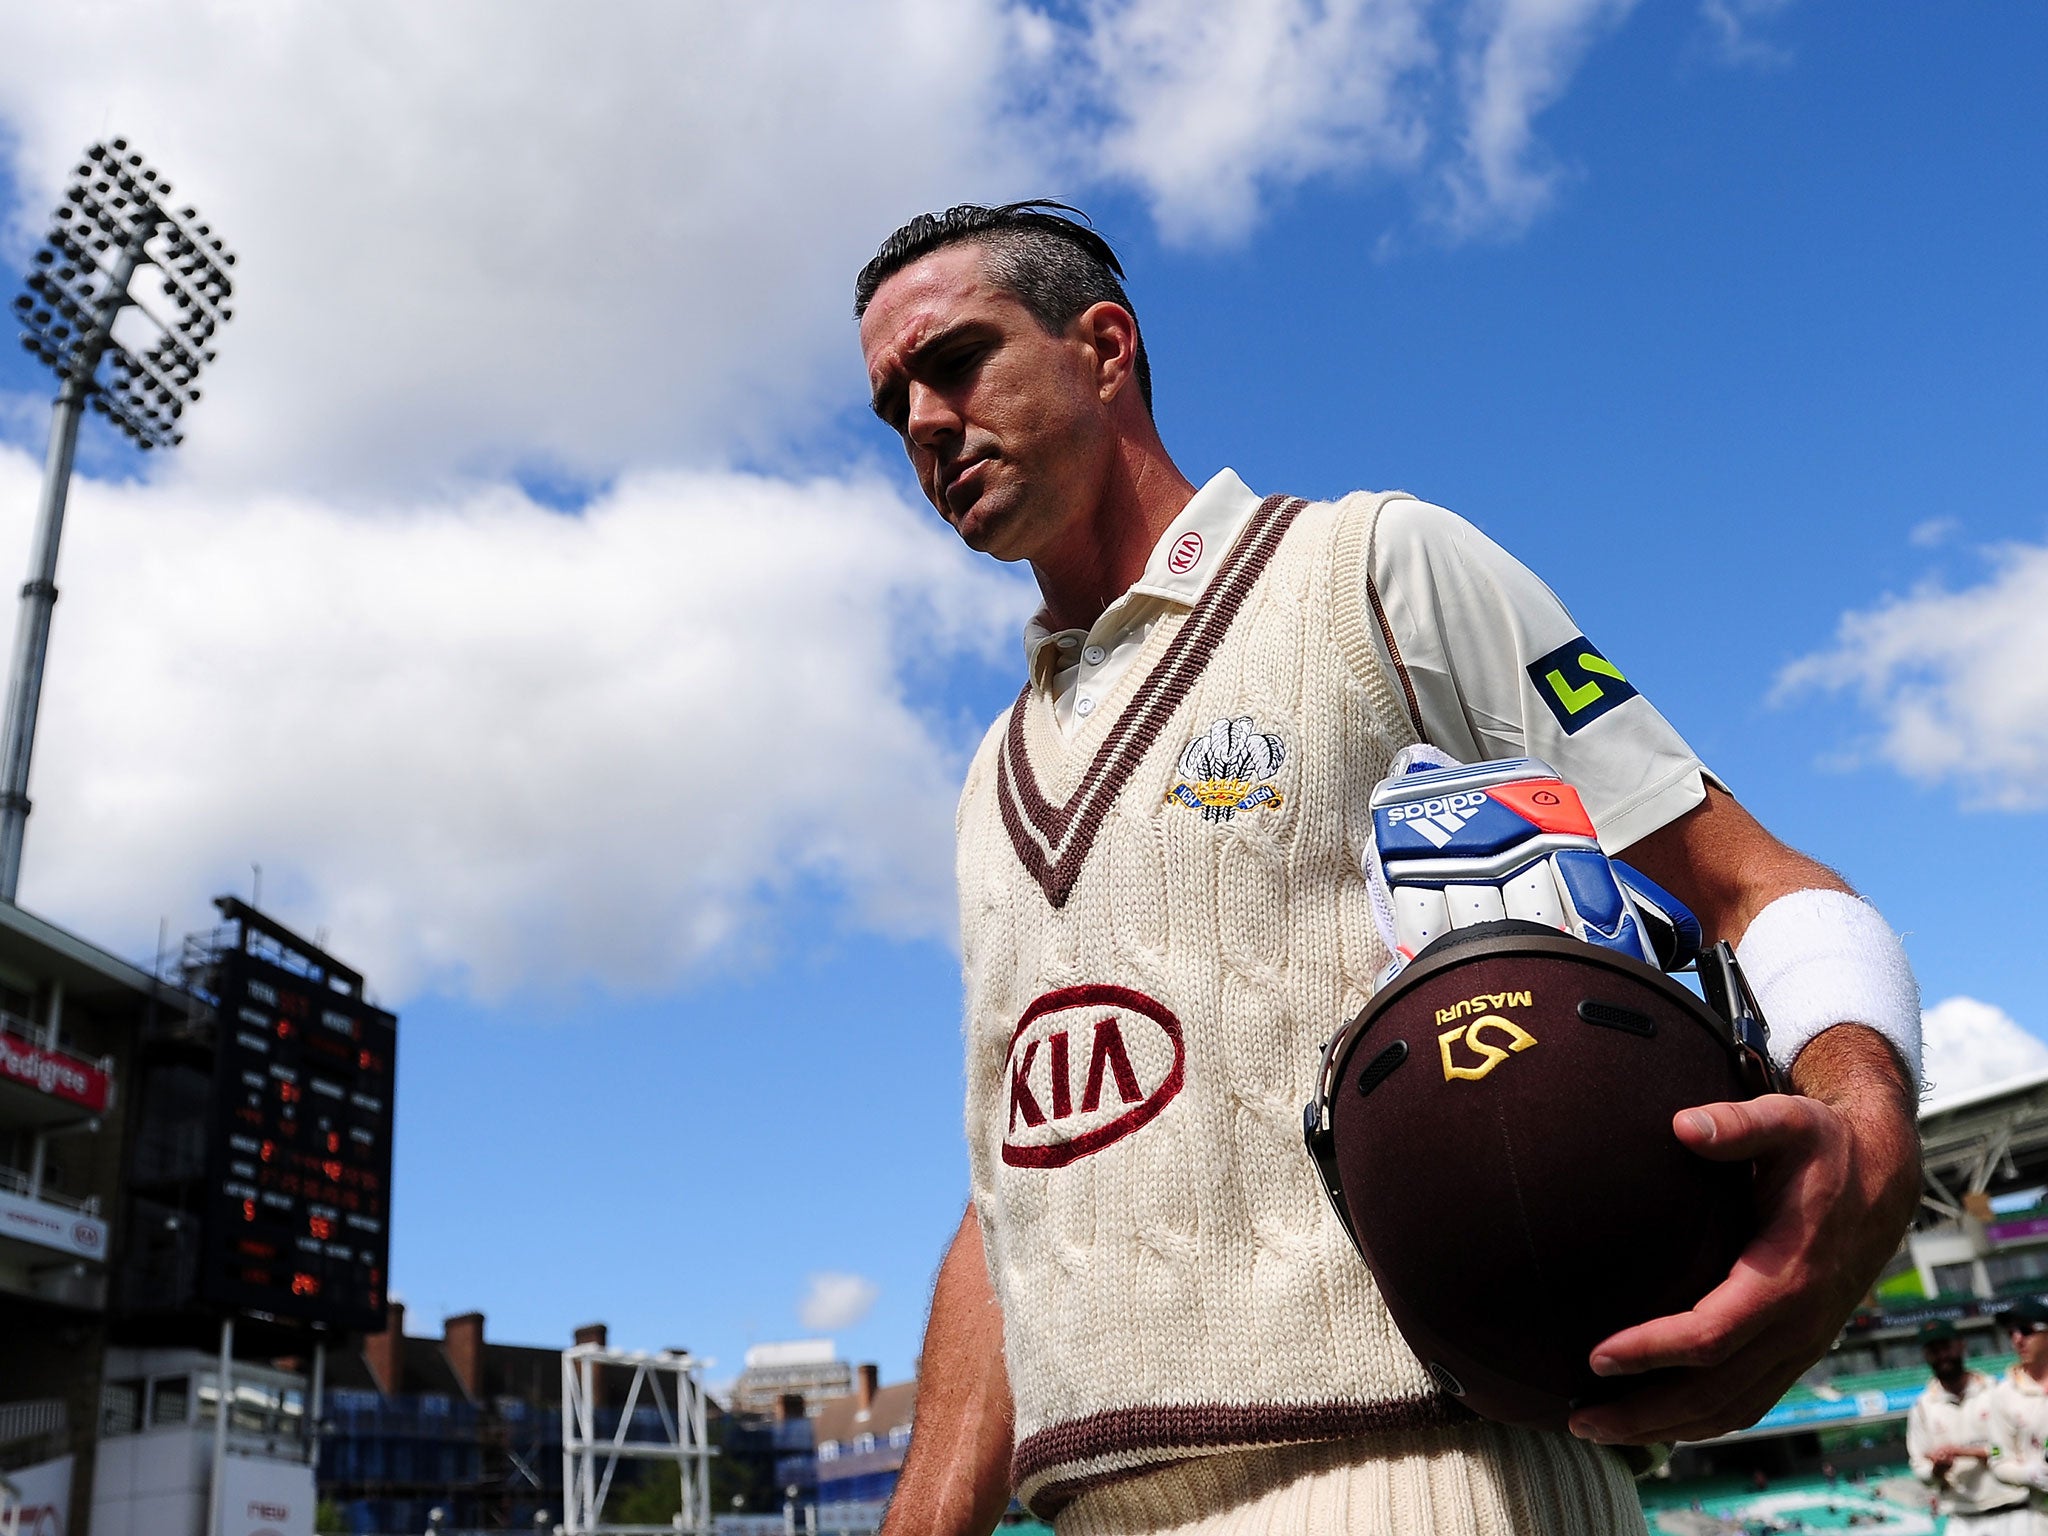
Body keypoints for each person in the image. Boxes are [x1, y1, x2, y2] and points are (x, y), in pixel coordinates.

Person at [853, 202, 1924, 1535]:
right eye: (891, 403)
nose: (925, 423)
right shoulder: (988, 775)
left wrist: (1870, 1154)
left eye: (955, 361)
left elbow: (1755, 886)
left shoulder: (1369, 567)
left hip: (1425, 1479)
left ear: (1107, 349)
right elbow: (1020, 1179)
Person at [1906, 1318, 2032, 1531]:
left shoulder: (1996, 1392)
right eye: (1933, 1350)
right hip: (1962, 1519)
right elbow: (1920, 1466)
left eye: (1945, 1346)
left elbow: (2018, 1449)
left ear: (1960, 1344)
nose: (1941, 1355)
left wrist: (1966, 1452)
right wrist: (1937, 1469)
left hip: (2014, 1511)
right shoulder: (1922, 1408)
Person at [1988, 1298, 2048, 1526]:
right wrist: (2031, 1474)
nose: (2017, 1339)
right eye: (2011, 1332)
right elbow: (1999, 1463)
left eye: (2026, 1330)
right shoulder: (2003, 1394)